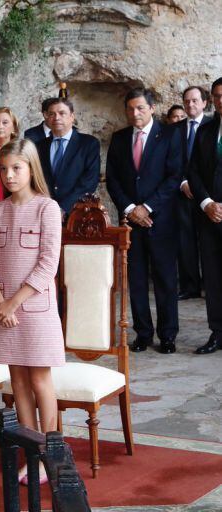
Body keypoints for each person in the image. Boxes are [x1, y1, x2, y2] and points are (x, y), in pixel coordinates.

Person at [0, 139, 64, 485]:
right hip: (4, 310)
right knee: (17, 382)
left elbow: (48, 263)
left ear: (31, 168)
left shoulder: (47, 208)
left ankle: (50, 454)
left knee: (40, 380)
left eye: (16, 168)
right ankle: (31, 453)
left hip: (36, 310)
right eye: (3, 169)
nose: (9, 175)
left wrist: (13, 302)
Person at [106, 88, 182, 354]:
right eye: (130, 109)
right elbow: (112, 179)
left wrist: (147, 208)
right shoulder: (119, 138)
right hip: (130, 222)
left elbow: (174, 176)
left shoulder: (170, 135)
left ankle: (168, 335)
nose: (134, 113)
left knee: (164, 278)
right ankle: (143, 333)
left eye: (140, 108)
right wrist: (130, 209)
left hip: (160, 219)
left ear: (151, 108)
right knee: (135, 279)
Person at [187, 77, 222, 355]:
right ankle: (217, 333)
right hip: (210, 215)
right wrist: (207, 202)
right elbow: (194, 170)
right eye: (217, 96)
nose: (221, 100)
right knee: (212, 276)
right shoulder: (207, 130)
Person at [176, 86, 211, 300]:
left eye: (195, 101)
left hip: (207, 194)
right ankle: (190, 286)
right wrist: (182, 182)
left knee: (208, 241)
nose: (190, 105)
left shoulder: (212, 126)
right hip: (182, 194)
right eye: (187, 101)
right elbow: (170, 159)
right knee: (185, 241)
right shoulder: (175, 129)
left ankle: (211, 285)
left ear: (205, 103)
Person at [36, 98, 101, 215]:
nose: (56, 118)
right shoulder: (39, 146)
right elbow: (36, 179)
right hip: (45, 212)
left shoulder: (88, 143)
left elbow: (89, 181)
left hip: (77, 212)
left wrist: (64, 208)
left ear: (72, 116)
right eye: (52, 114)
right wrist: (49, 207)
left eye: (62, 113)